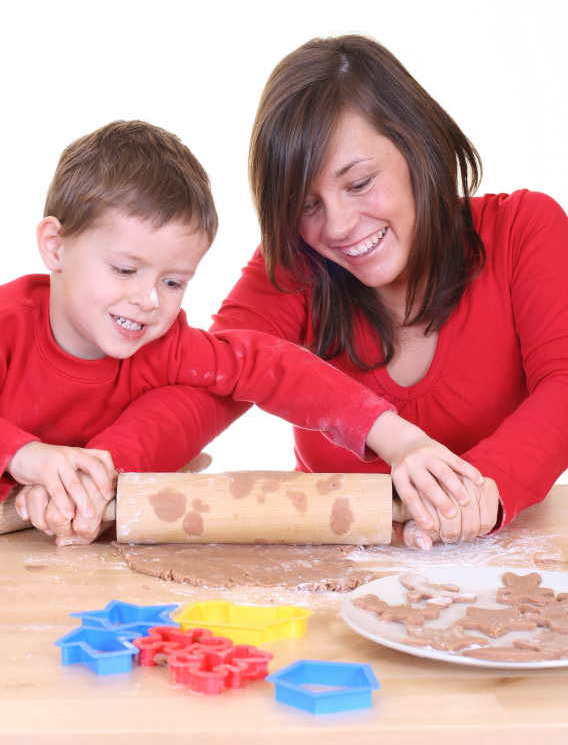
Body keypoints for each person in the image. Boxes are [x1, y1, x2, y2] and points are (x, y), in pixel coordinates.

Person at [86, 35, 568, 550]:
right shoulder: (298, 264)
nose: (337, 226)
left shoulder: (525, 229)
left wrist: (475, 493)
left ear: (415, 146)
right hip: (332, 575)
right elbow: (210, 377)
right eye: (307, 203)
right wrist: (100, 467)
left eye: (358, 184)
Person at [1, 119, 483, 545]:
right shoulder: (10, 324)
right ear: (54, 247)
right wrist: (27, 458)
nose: (149, 300)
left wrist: (398, 439)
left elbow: (277, 369)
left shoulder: (164, 344)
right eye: (125, 270)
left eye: (173, 282)